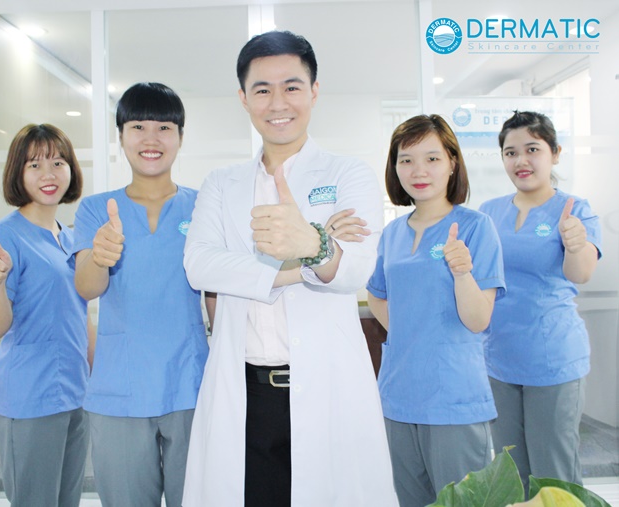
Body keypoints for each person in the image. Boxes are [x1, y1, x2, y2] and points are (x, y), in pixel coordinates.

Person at [182, 30, 398, 507]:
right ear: (244, 98)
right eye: (262, 89)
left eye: (292, 86)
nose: (278, 102)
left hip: (328, 387)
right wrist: (308, 257)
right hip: (247, 392)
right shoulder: (221, 183)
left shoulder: (348, 174)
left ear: (314, 92)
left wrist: (312, 245)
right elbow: (199, 266)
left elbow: (355, 269)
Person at [72, 82, 213, 507]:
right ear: (121, 136)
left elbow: (217, 293)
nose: (151, 139)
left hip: (190, 384)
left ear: (180, 137)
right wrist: (100, 256)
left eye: (164, 127)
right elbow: (87, 287)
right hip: (121, 387)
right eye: (138, 126)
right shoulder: (96, 209)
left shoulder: (203, 206)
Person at [366, 114, 506, 507]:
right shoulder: (392, 233)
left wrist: (462, 273)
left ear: (452, 163)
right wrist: (410, 332)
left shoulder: (475, 227)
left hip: (453, 397)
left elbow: (478, 320)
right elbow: (376, 294)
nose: (418, 170)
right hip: (398, 395)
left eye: (432, 158)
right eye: (406, 160)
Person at [480, 111, 602, 495]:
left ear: (555, 153)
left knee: (554, 472)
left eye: (532, 149)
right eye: (510, 152)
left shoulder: (574, 210)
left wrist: (576, 243)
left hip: (552, 359)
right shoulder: (489, 213)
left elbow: (581, 273)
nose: (521, 160)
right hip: (499, 359)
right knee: (510, 472)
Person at [0, 124, 89, 507]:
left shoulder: (71, 238)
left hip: (74, 395)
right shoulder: (4, 237)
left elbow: (80, 318)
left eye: (58, 162)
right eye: (35, 165)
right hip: (28, 400)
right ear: (18, 172)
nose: (49, 174)